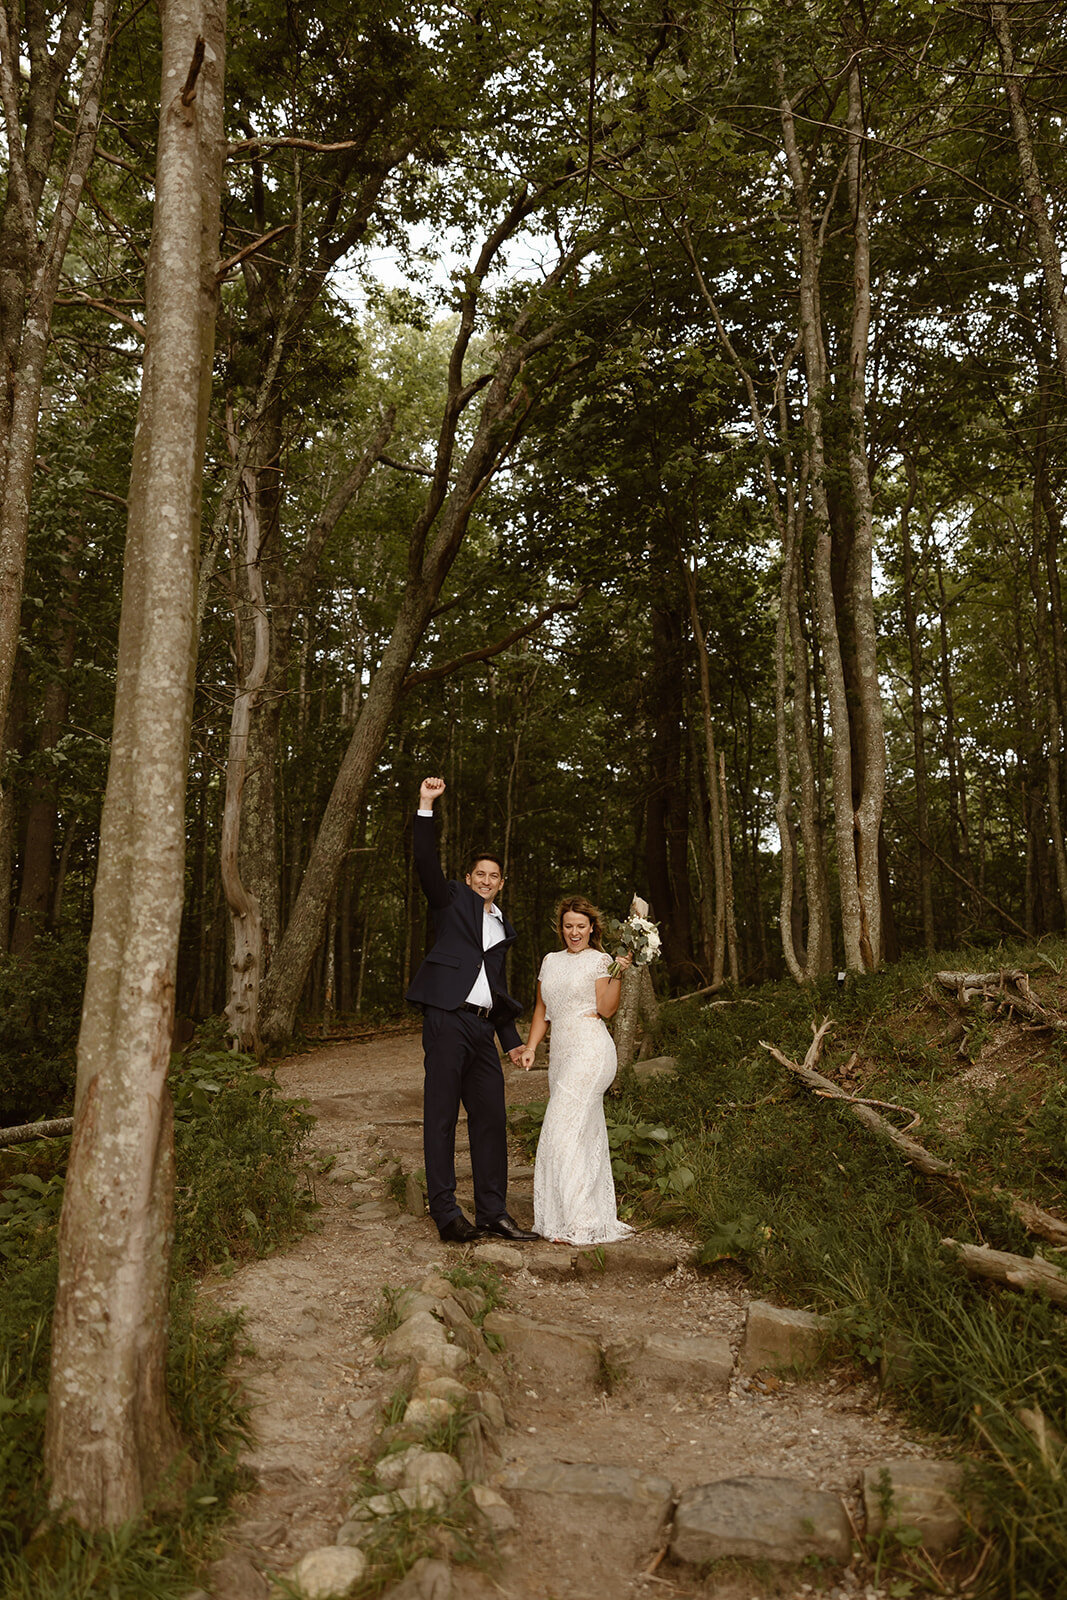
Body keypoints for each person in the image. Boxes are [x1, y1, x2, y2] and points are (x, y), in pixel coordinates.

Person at [405, 776, 539, 1244]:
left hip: (483, 1032)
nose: (486, 880)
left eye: (494, 876)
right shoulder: (452, 903)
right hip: (446, 1019)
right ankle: (445, 1212)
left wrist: (514, 1041)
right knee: (440, 1117)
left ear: (503, 883)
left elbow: (496, 989)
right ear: (468, 879)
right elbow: (424, 862)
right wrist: (426, 804)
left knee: (491, 1119)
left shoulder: (504, 928)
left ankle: (493, 1212)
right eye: (479, 873)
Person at [519, 896, 634, 1246]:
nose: (574, 932)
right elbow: (542, 1010)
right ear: (561, 928)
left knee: (561, 1128)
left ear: (592, 928)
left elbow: (606, 1009)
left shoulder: (600, 960)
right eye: (568, 926)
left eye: (581, 926)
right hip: (561, 1055)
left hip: (591, 1050)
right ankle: (566, 1216)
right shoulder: (550, 962)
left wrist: (617, 973)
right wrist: (531, 1047)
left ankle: (581, 1222)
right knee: (580, 1133)